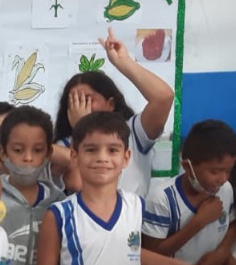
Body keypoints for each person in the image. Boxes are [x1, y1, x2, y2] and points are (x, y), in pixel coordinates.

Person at [34, 112, 210, 265]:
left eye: (112, 150)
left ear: (126, 157)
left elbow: (129, 252)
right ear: (74, 156)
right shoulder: (59, 214)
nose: (102, 158)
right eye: (91, 150)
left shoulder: (136, 206)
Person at [142, 120, 236, 265]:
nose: (222, 179)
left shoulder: (226, 190)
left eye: (228, 171)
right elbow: (152, 252)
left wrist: (219, 255)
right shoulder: (162, 198)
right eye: (215, 171)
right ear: (188, 166)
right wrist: (198, 222)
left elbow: (233, 224)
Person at [53, 29, 175, 197]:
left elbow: (163, 98)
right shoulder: (65, 145)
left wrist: (123, 62)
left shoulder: (133, 132)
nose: (81, 106)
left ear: (110, 104)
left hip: (132, 214)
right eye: (73, 101)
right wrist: (82, 128)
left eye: (88, 99)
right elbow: (78, 185)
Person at [0, 106, 65, 265]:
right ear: (3, 152)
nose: (28, 158)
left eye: (37, 150)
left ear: (49, 154)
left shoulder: (59, 204)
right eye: (18, 150)